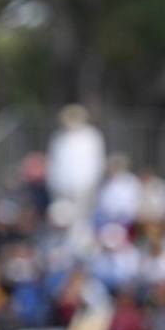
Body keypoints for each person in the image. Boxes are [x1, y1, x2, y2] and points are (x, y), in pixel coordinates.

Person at [46, 105, 105, 251]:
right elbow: (54, 164)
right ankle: (62, 250)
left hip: (85, 187)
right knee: (62, 218)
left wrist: (89, 183)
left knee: (83, 220)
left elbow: (96, 162)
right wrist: (56, 185)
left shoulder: (91, 136)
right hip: (62, 189)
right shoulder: (58, 138)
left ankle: (82, 248)